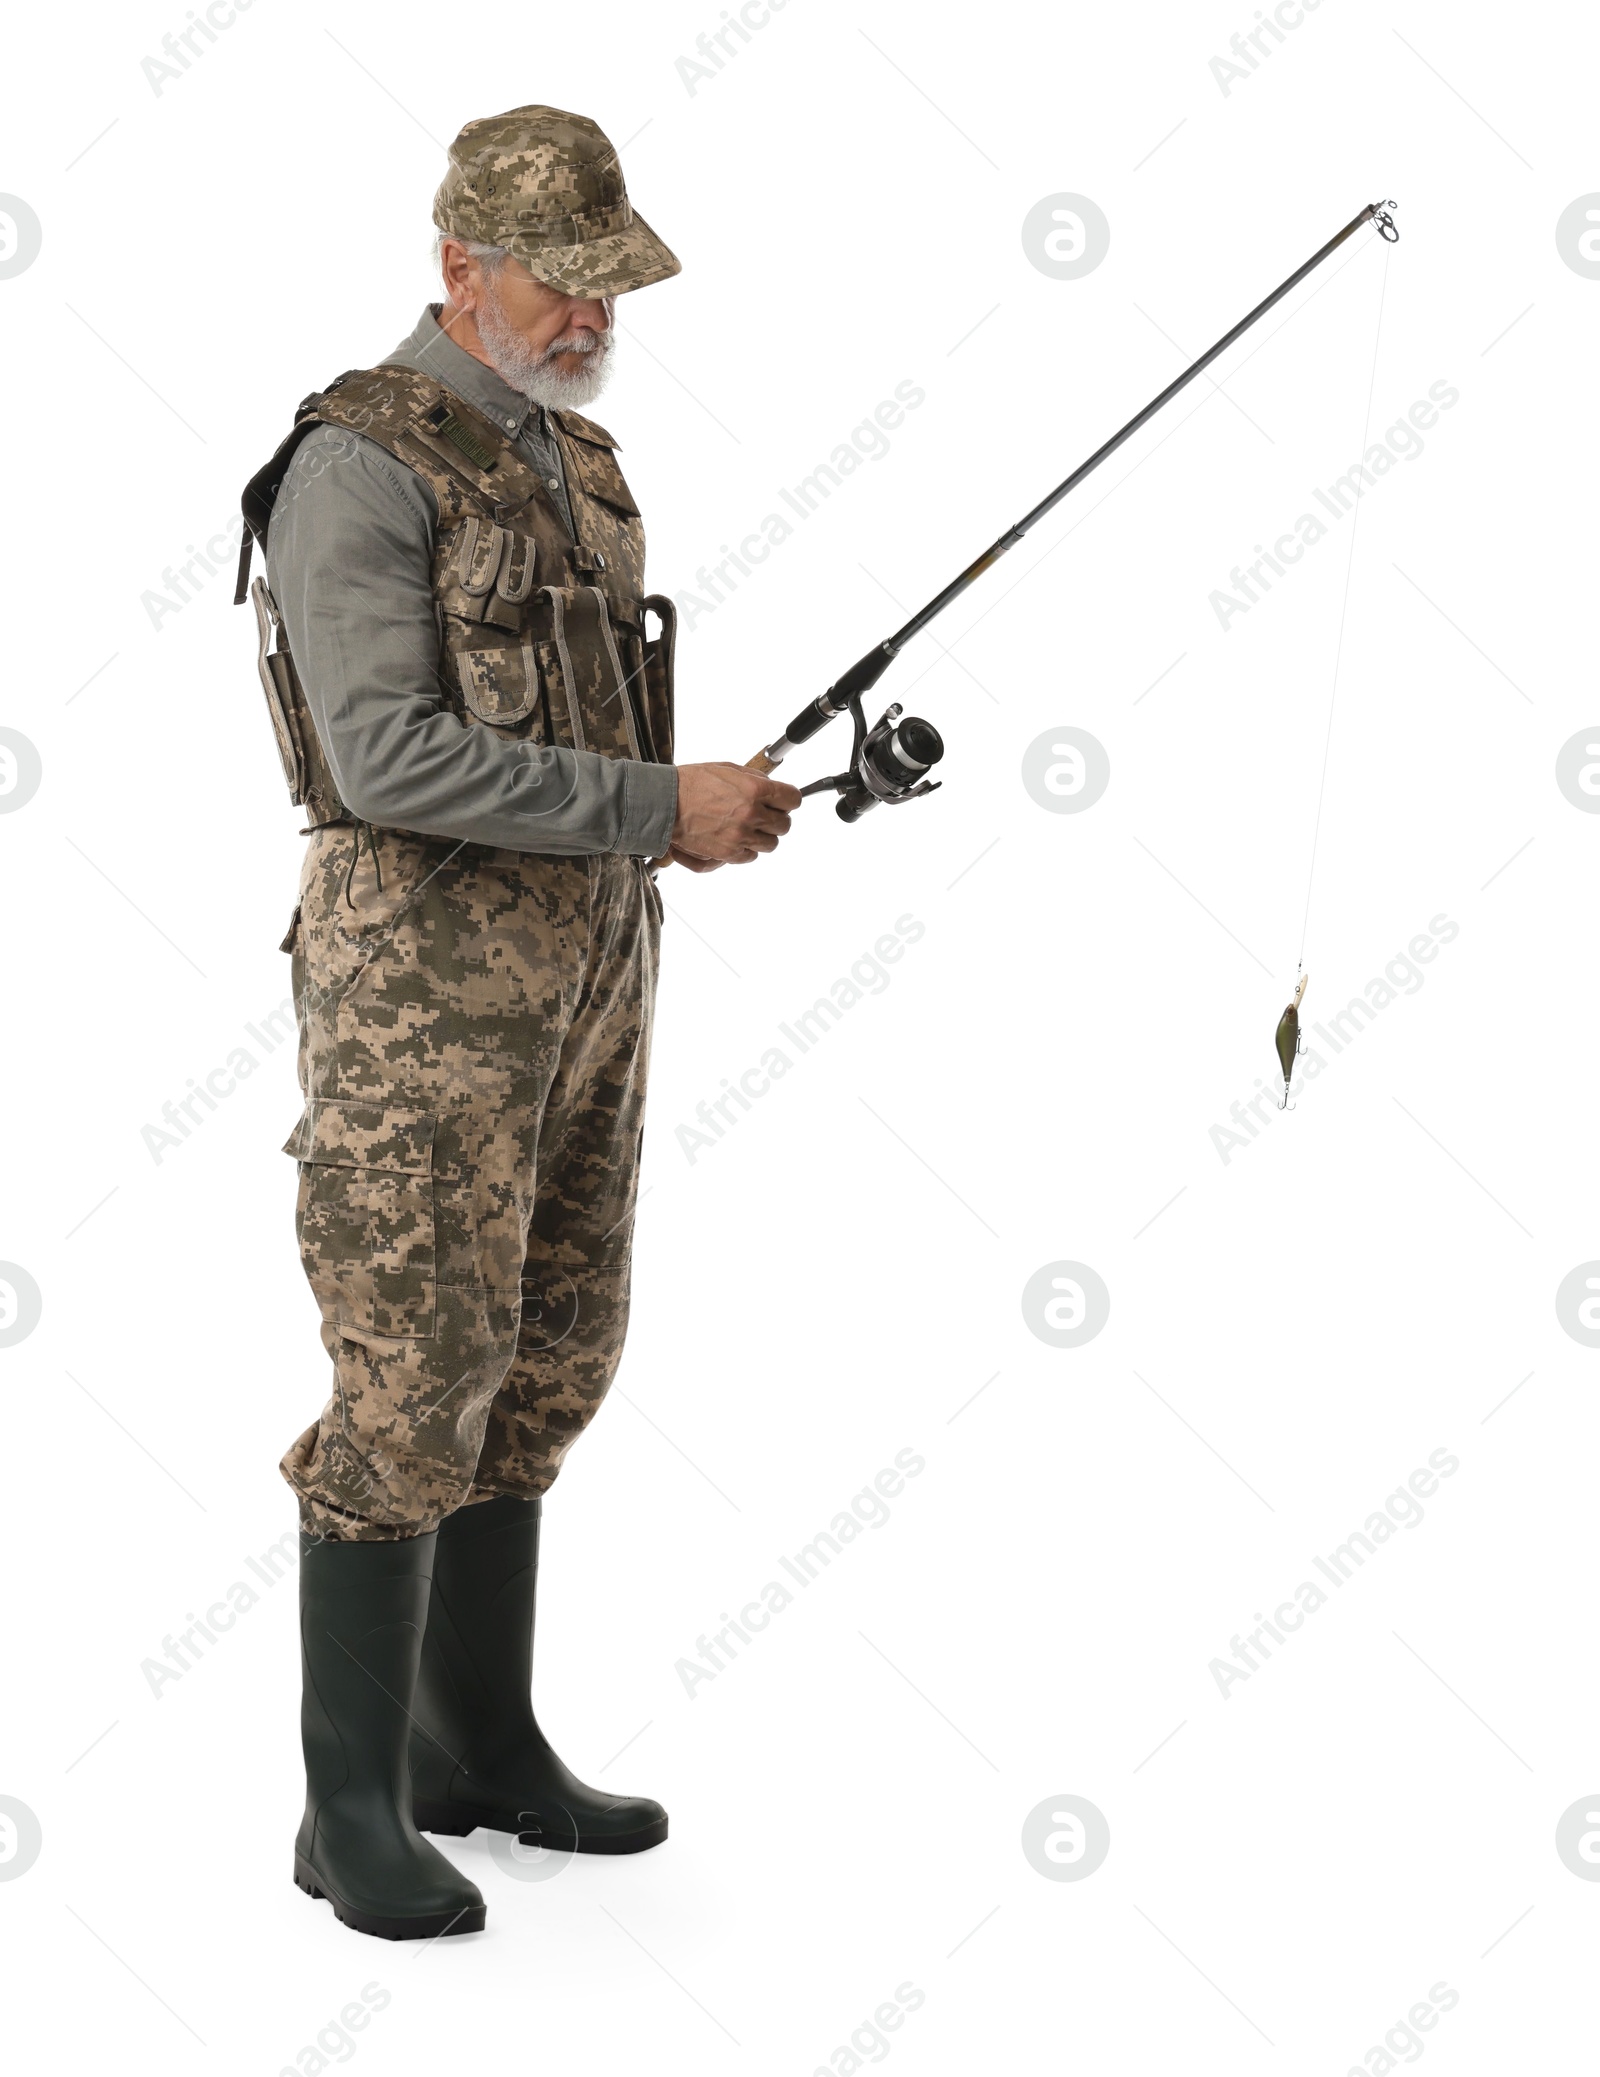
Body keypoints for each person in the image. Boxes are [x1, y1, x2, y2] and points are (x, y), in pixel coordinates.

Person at [236, 103, 801, 1940]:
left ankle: (480, 1747)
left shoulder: (580, 461)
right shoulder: (356, 463)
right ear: (459, 265)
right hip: (420, 1006)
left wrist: (705, 813)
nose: (589, 317)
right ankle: (351, 1807)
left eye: (607, 287)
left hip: (590, 982)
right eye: (560, 284)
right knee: (410, 1375)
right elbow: (390, 756)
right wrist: (658, 804)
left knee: (552, 1349)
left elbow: (583, 740)